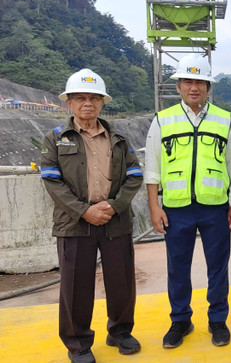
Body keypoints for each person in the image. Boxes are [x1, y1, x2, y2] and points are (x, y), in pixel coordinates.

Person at [41, 69, 143, 363]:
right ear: (68, 103)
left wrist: (114, 205)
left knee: (121, 280)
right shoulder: (56, 139)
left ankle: (120, 332)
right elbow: (51, 181)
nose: (88, 103)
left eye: (94, 98)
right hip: (74, 224)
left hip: (115, 220)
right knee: (76, 285)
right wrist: (84, 210)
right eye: (81, 98)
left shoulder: (119, 138)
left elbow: (134, 174)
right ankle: (78, 343)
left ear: (102, 103)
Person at [144, 53, 231, 348]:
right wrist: (154, 206)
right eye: (188, 81)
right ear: (178, 86)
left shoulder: (225, 121)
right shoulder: (163, 120)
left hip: (215, 209)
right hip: (176, 209)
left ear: (209, 87)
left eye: (200, 81)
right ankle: (180, 320)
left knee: (218, 267)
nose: (194, 87)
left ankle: (218, 319)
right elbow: (152, 167)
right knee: (178, 266)